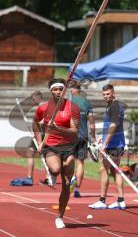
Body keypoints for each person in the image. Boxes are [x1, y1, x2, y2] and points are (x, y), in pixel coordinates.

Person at [32, 78, 80, 229]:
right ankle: (51, 173)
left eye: (61, 89)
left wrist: (57, 128)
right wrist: (39, 141)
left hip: (68, 145)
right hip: (50, 145)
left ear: (64, 90)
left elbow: (74, 132)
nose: (59, 92)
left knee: (66, 184)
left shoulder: (72, 107)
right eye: (55, 89)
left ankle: (60, 216)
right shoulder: (43, 108)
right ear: (51, 91)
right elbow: (35, 123)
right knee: (55, 169)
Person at [89, 84, 126, 209]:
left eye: (108, 94)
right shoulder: (111, 106)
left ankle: (102, 200)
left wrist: (105, 144)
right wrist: (102, 138)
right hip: (117, 143)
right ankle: (121, 200)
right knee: (115, 170)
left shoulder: (115, 107)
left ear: (113, 93)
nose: (105, 96)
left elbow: (113, 126)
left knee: (103, 169)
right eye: (104, 94)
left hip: (113, 144)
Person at [69, 80, 96, 197]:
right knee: (80, 163)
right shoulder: (87, 103)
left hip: (72, 136)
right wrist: (93, 137)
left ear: (72, 90)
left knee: (69, 161)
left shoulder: (68, 103)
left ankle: (69, 184)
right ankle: (77, 190)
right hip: (83, 136)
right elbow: (92, 123)